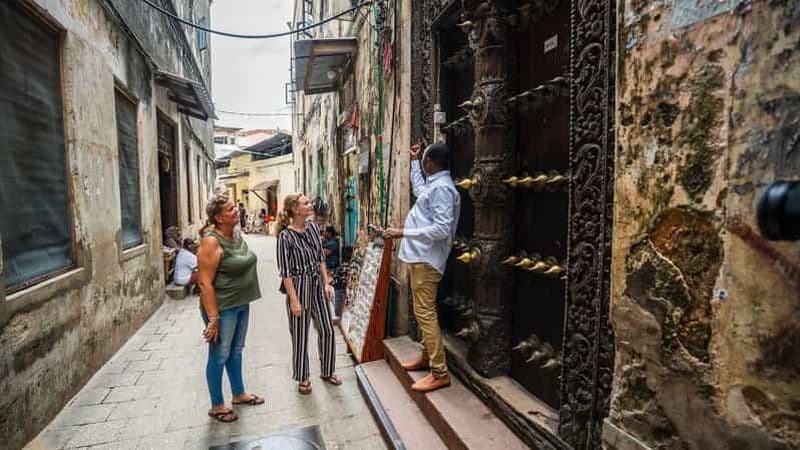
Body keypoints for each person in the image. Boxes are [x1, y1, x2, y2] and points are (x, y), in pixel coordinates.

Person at [384, 142, 460, 393]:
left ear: (431, 163)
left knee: (425, 312)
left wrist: (402, 232)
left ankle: (440, 371)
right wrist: (415, 162)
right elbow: (419, 189)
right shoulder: (434, 185)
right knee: (423, 311)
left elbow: (441, 229)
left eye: (423, 160)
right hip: (421, 258)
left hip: (428, 260)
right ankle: (427, 357)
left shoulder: (442, 190)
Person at [197, 193, 265, 423]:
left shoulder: (235, 234)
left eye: (234, 206)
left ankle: (238, 393)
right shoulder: (211, 242)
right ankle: (217, 405)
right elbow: (205, 283)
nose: (236, 210)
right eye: (230, 209)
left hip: (241, 303)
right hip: (223, 308)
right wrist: (213, 319)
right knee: (219, 355)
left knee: (236, 350)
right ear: (218, 217)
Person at [276, 194, 341, 394]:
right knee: (300, 334)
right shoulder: (285, 237)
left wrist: (327, 283)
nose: (310, 205)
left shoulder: (312, 227)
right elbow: (285, 272)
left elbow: (320, 256)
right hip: (298, 286)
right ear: (296, 210)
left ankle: (328, 370)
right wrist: (294, 300)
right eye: (305, 203)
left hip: (316, 283)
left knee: (327, 329)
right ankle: (303, 376)